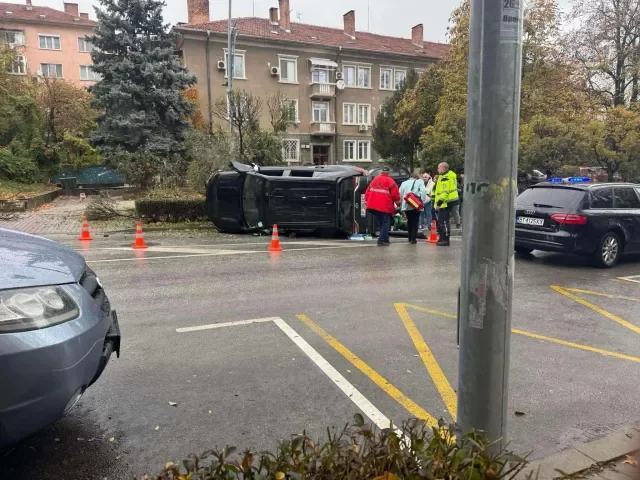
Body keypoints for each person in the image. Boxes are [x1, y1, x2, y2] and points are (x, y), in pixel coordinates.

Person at [364, 167, 400, 246]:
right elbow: (395, 195)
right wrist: (398, 204)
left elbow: (367, 192)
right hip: (384, 206)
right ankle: (382, 239)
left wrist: (367, 201)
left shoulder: (375, 180)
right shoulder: (390, 181)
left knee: (380, 223)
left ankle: (385, 238)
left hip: (373, 205)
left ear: (381, 172)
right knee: (385, 223)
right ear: (388, 173)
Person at [433, 162, 460, 246]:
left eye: (438, 168)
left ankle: (445, 239)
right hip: (445, 203)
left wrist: (438, 204)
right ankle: (442, 238)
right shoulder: (444, 176)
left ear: (443, 168)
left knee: (444, 222)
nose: (437, 169)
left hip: (445, 203)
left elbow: (444, 192)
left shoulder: (446, 178)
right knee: (442, 221)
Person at [399, 173, 427, 244]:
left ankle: (409, 237)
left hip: (407, 204)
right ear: (416, 177)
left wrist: (401, 203)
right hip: (416, 204)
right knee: (415, 221)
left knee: (409, 221)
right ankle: (413, 239)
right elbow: (423, 192)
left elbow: (400, 194)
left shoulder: (403, 183)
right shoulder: (419, 181)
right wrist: (422, 201)